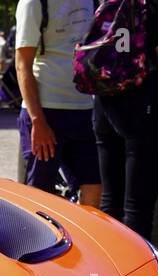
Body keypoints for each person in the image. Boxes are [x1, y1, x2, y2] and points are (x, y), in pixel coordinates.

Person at [93, 0, 158, 238]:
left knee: (110, 204)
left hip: (106, 91)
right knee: (138, 211)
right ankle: (131, 275)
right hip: (147, 95)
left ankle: (105, 272)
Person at [15, 0, 101, 208]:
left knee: (94, 189)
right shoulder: (33, 3)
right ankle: (38, 241)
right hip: (46, 110)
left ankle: (81, 238)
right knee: (38, 196)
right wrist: (37, 120)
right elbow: (22, 64)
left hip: (85, 109)